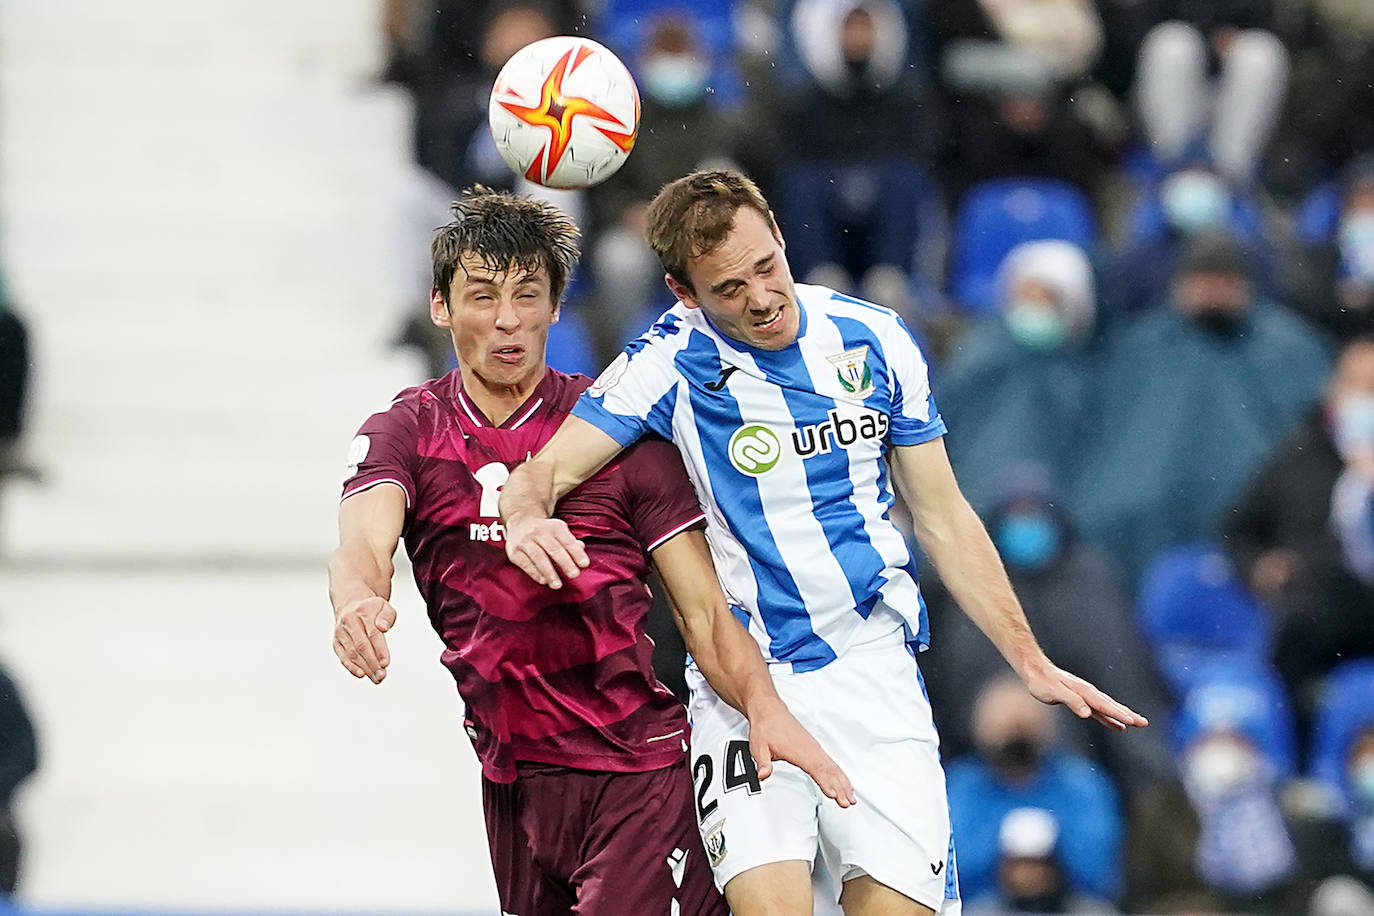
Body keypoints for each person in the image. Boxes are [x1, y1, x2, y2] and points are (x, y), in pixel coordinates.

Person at [499, 168, 1146, 916]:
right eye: (729, 290)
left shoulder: (876, 337)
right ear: (684, 293)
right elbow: (537, 475)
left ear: (779, 235)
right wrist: (528, 517)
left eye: (765, 267)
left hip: (876, 675)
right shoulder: (665, 362)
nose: (762, 298)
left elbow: (941, 515)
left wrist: (1026, 657)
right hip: (750, 685)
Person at [329, 187, 851, 916]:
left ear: (556, 308)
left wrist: (762, 705)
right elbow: (362, 543)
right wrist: (359, 601)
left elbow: (702, 611)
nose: (507, 320)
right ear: (441, 308)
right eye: (482, 297)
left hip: (635, 775)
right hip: (512, 781)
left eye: (527, 296)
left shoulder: (616, 435)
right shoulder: (408, 431)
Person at [1071, 229, 1331, 586]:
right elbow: (1111, 436)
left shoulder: (1289, 346)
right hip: (1153, 509)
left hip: (1257, 509)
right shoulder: (1143, 347)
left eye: (1223, 280)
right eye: (1201, 280)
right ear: (1179, 286)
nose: (1212, 292)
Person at [1224, 336, 1374, 714]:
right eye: (1358, 385)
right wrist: (1260, 566)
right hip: (1318, 608)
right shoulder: (1298, 455)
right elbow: (1240, 529)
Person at [946, 677, 1125, 906]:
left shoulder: (1080, 783)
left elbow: (1101, 870)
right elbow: (953, 869)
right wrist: (1004, 856)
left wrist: (1051, 860)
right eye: (1006, 728)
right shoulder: (964, 785)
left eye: (1025, 726)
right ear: (981, 729)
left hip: (1068, 905)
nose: (1016, 737)